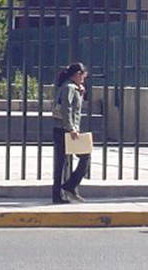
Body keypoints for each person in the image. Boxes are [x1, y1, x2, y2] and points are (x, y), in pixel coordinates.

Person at [51, 62, 90, 204]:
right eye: (83, 76)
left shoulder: (71, 87)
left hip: (65, 129)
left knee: (62, 162)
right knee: (82, 156)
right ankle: (68, 187)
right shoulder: (69, 88)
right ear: (78, 74)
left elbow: (73, 107)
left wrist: (81, 93)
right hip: (65, 130)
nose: (84, 79)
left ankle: (62, 191)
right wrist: (71, 128)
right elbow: (66, 109)